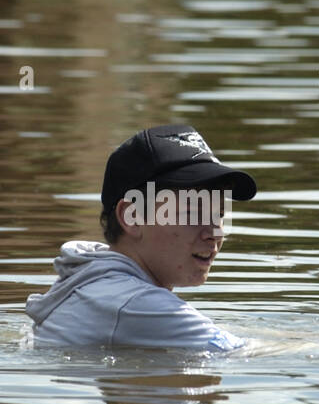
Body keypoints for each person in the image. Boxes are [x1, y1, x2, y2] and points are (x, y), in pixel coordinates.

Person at [25, 124, 257, 351]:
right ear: (132, 217)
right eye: (192, 213)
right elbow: (244, 353)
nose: (215, 233)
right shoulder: (135, 302)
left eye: (220, 215)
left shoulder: (96, 280)